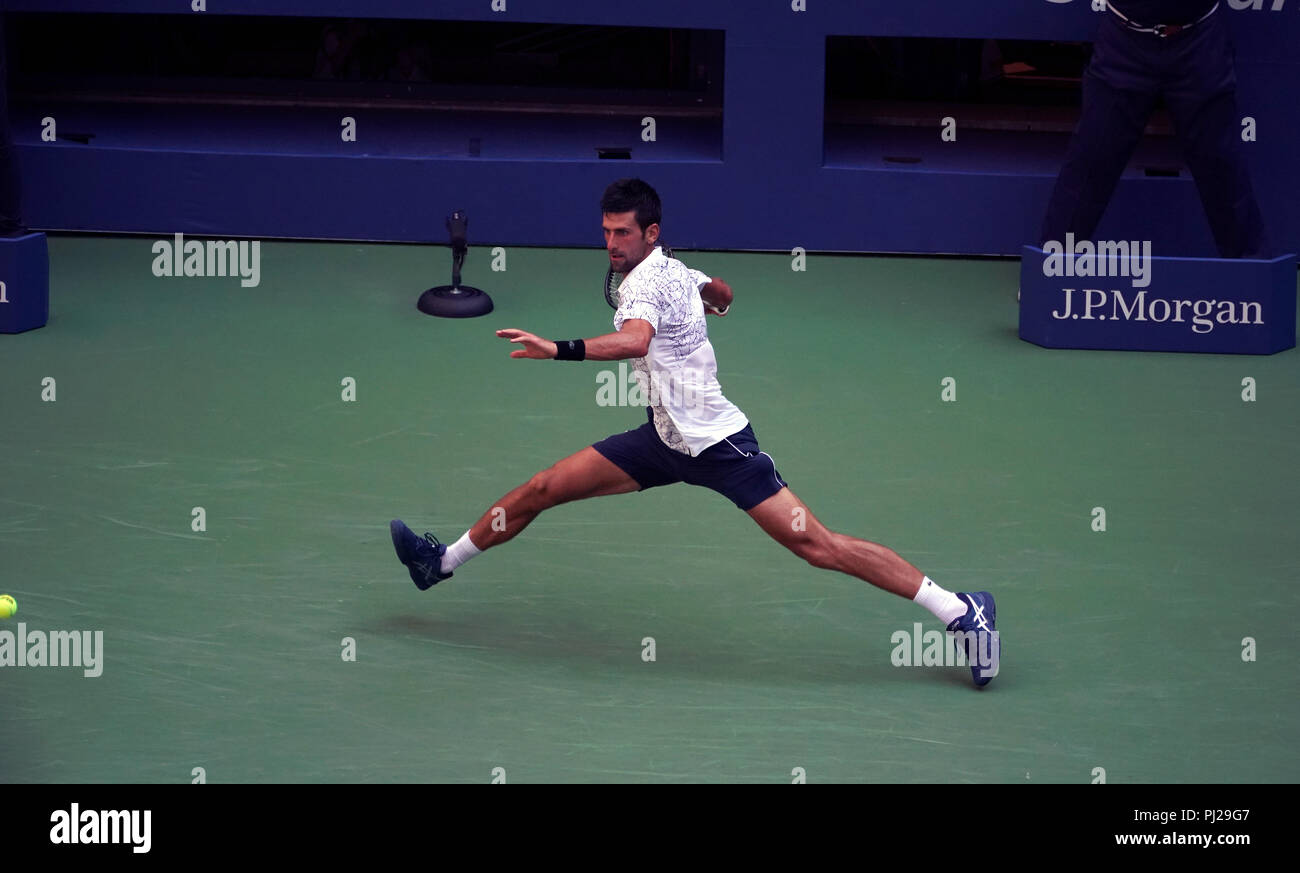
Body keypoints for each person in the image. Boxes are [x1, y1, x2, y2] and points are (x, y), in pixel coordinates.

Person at [391, 178, 999, 687]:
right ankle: (440, 562)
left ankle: (960, 611)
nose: (611, 243)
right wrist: (710, 296)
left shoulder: (646, 282)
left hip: (720, 447)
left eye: (622, 232)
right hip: (661, 441)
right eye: (605, 232)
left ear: (650, 233)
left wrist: (558, 349)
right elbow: (724, 292)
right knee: (545, 487)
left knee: (819, 546)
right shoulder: (675, 270)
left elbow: (634, 341)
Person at [1040, 0, 1270, 259]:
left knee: (1221, 164)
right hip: (1124, 43)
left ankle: (1251, 278)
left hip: (1200, 44)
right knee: (1092, 157)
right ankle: (1053, 267)